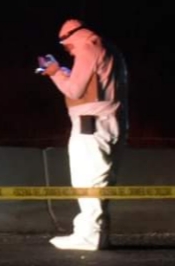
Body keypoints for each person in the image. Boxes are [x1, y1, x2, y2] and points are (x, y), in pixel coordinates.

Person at [37, 19, 128, 251]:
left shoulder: (87, 48)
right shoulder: (106, 48)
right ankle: (98, 235)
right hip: (108, 123)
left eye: (66, 45)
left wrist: (55, 73)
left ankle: (89, 237)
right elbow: (89, 83)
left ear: (70, 37)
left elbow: (75, 90)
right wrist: (63, 71)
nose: (67, 50)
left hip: (91, 126)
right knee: (100, 181)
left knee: (87, 180)